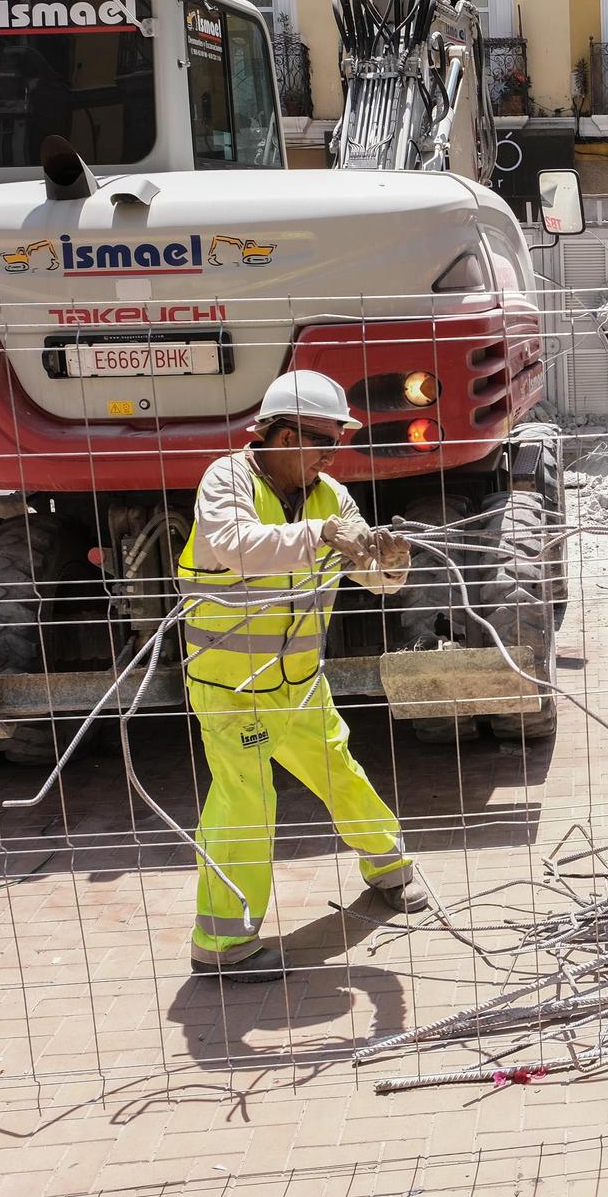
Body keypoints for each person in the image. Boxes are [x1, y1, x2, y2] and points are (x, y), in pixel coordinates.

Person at [176, 369, 426, 982]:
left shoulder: (330, 496)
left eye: (335, 442)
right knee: (246, 804)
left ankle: (389, 866)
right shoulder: (227, 480)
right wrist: (321, 535)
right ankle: (222, 943)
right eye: (323, 441)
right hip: (230, 688)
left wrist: (391, 566)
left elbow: (369, 575)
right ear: (282, 437)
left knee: (339, 770)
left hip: (299, 682)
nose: (331, 455)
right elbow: (236, 544)